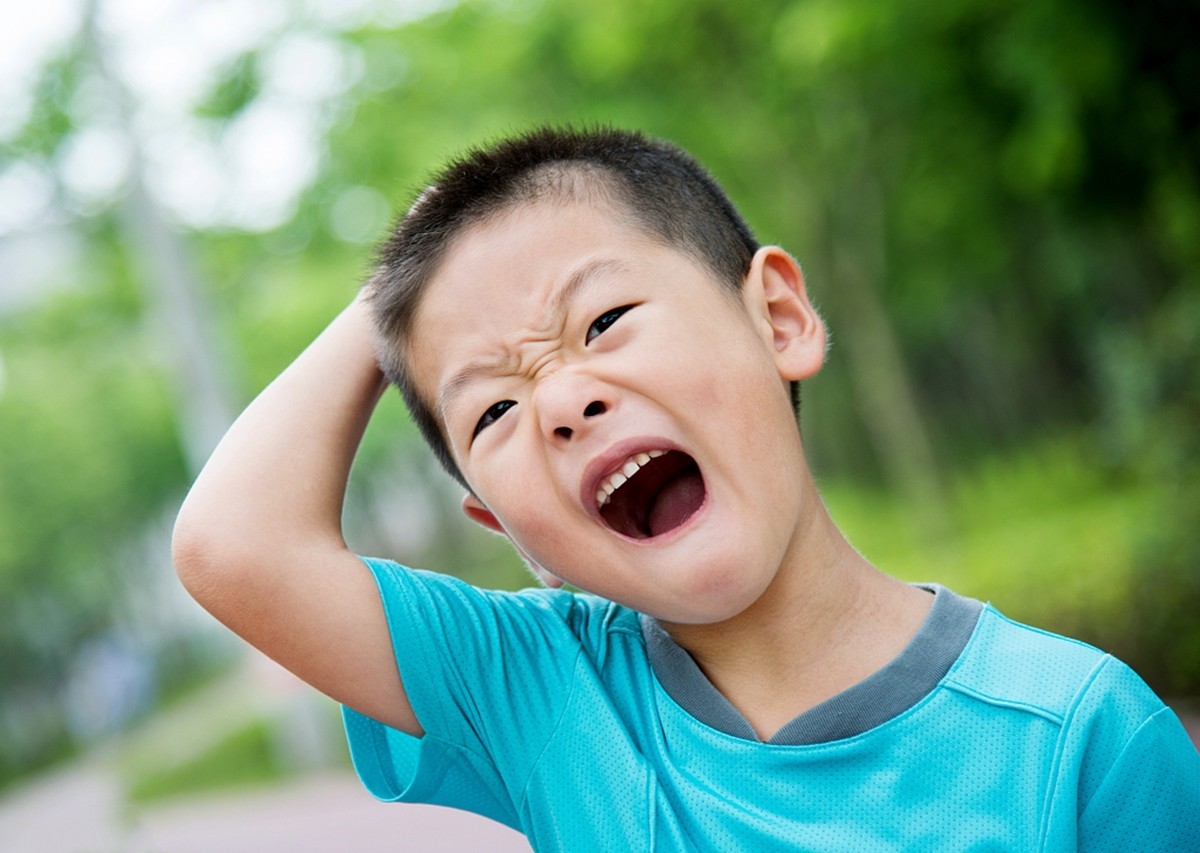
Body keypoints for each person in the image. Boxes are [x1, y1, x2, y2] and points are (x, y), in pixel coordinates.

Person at [172, 127, 1200, 850]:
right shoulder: (543, 691)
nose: (563, 402)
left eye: (604, 321)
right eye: (491, 412)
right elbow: (232, 545)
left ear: (780, 317)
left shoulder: (1077, 736)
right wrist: (395, 288)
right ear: (500, 523)